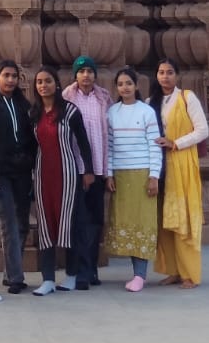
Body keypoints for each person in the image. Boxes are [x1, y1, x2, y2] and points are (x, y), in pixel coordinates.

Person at [29, 67, 93, 296]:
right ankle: (47, 279)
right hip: (43, 175)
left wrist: (88, 171)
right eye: (39, 82)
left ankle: (72, 275)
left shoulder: (70, 111)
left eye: (47, 81)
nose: (43, 85)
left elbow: (83, 143)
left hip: (67, 175)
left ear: (56, 84)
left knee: (69, 224)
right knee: (46, 225)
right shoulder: (33, 113)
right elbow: (30, 147)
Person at [106, 67, 163, 292]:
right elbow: (110, 146)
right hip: (121, 175)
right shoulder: (112, 112)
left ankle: (140, 274)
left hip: (142, 174)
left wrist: (154, 176)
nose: (125, 88)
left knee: (142, 223)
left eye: (129, 83)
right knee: (127, 224)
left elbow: (154, 145)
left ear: (136, 86)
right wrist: (109, 173)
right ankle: (136, 273)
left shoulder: (146, 111)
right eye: (120, 84)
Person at [153, 59, 208, 287]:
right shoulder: (151, 102)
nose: (165, 76)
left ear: (176, 75)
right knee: (165, 218)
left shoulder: (187, 97)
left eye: (169, 72)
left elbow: (202, 130)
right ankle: (173, 270)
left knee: (183, 217)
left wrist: (176, 143)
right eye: (161, 72)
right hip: (160, 165)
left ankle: (189, 274)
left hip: (182, 162)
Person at [0, 61, 36, 295]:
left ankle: (10, 272)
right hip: (0, 171)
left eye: (14, 76)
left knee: (22, 222)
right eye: (6, 75)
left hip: (22, 170)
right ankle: (16, 277)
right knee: (9, 221)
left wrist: (29, 159)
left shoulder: (23, 104)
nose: (11, 80)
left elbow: (30, 136)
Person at [62, 56, 111, 289]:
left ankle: (91, 269)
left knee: (96, 220)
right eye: (81, 71)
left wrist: (107, 171)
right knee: (79, 221)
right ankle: (80, 271)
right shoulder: (67, 97)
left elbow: (109, 134)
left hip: (98, 168)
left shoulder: (104, 98)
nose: (86, 75)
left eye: (90, 71)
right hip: (76, 167)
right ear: (75, 75)